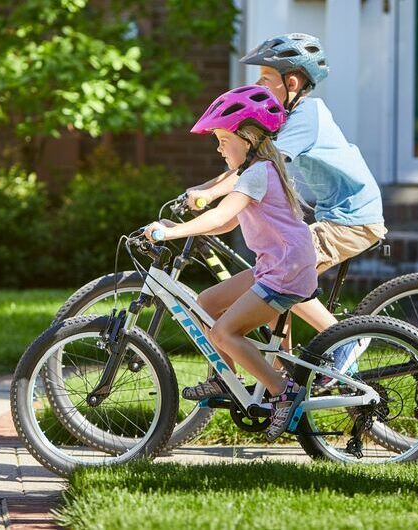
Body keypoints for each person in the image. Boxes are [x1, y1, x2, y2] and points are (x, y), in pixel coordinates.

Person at [186, 33, 387, 387]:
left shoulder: (307, 115)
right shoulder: (281, 119)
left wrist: (211, 196)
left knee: (288, 271)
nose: (259, 86)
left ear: (291, 82)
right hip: (334, 215)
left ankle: (344, 338)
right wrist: (205, 188)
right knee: (275, 277)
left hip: (353, 219)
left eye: (265, 79)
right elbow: (248, 164)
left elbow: (255, 169)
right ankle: (279, 376)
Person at [143, 85, 317, 441]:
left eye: (224, 139)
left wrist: (168, 236)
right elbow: (227, 222)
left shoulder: (257, 173)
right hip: (276, 265)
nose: (219, 147)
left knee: (223, 331)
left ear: (248, 138)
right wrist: (179, 228)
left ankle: (282, 391)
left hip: (285, 271)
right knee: (206, 304)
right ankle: (226, 378)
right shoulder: (255, 173)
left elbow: (220, 212)